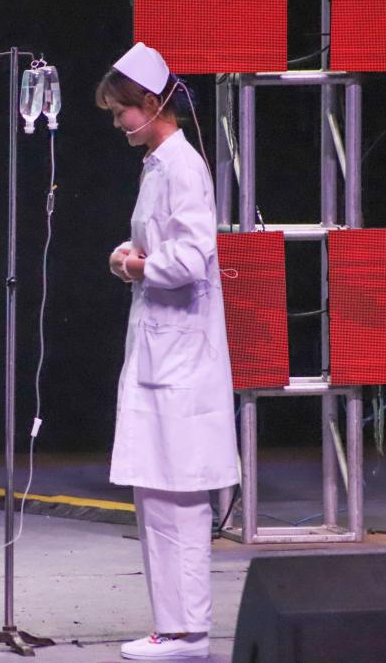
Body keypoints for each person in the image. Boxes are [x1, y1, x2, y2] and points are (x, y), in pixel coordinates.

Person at [96, 43, 239, 660]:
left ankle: (188, 633)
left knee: (178, 498)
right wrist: (129, 258)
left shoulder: (183, 166)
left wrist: (134, 265)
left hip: (181, 361)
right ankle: (173, 628)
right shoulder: (156, 165)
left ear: (151, 103)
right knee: (156, 494)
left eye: (121, 111)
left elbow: (189, 258)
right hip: (161, 351)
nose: (117, 123)